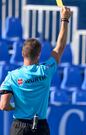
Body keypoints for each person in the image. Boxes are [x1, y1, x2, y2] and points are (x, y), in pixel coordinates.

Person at [0, 7, 71, 135]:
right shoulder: (45, 70)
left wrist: (15, 107)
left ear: (22, 53)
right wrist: (64, 19)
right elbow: (60, 47)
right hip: (40, 126)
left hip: (19, 127)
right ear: (39, 55)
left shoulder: (12, 76)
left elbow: (3, 105)